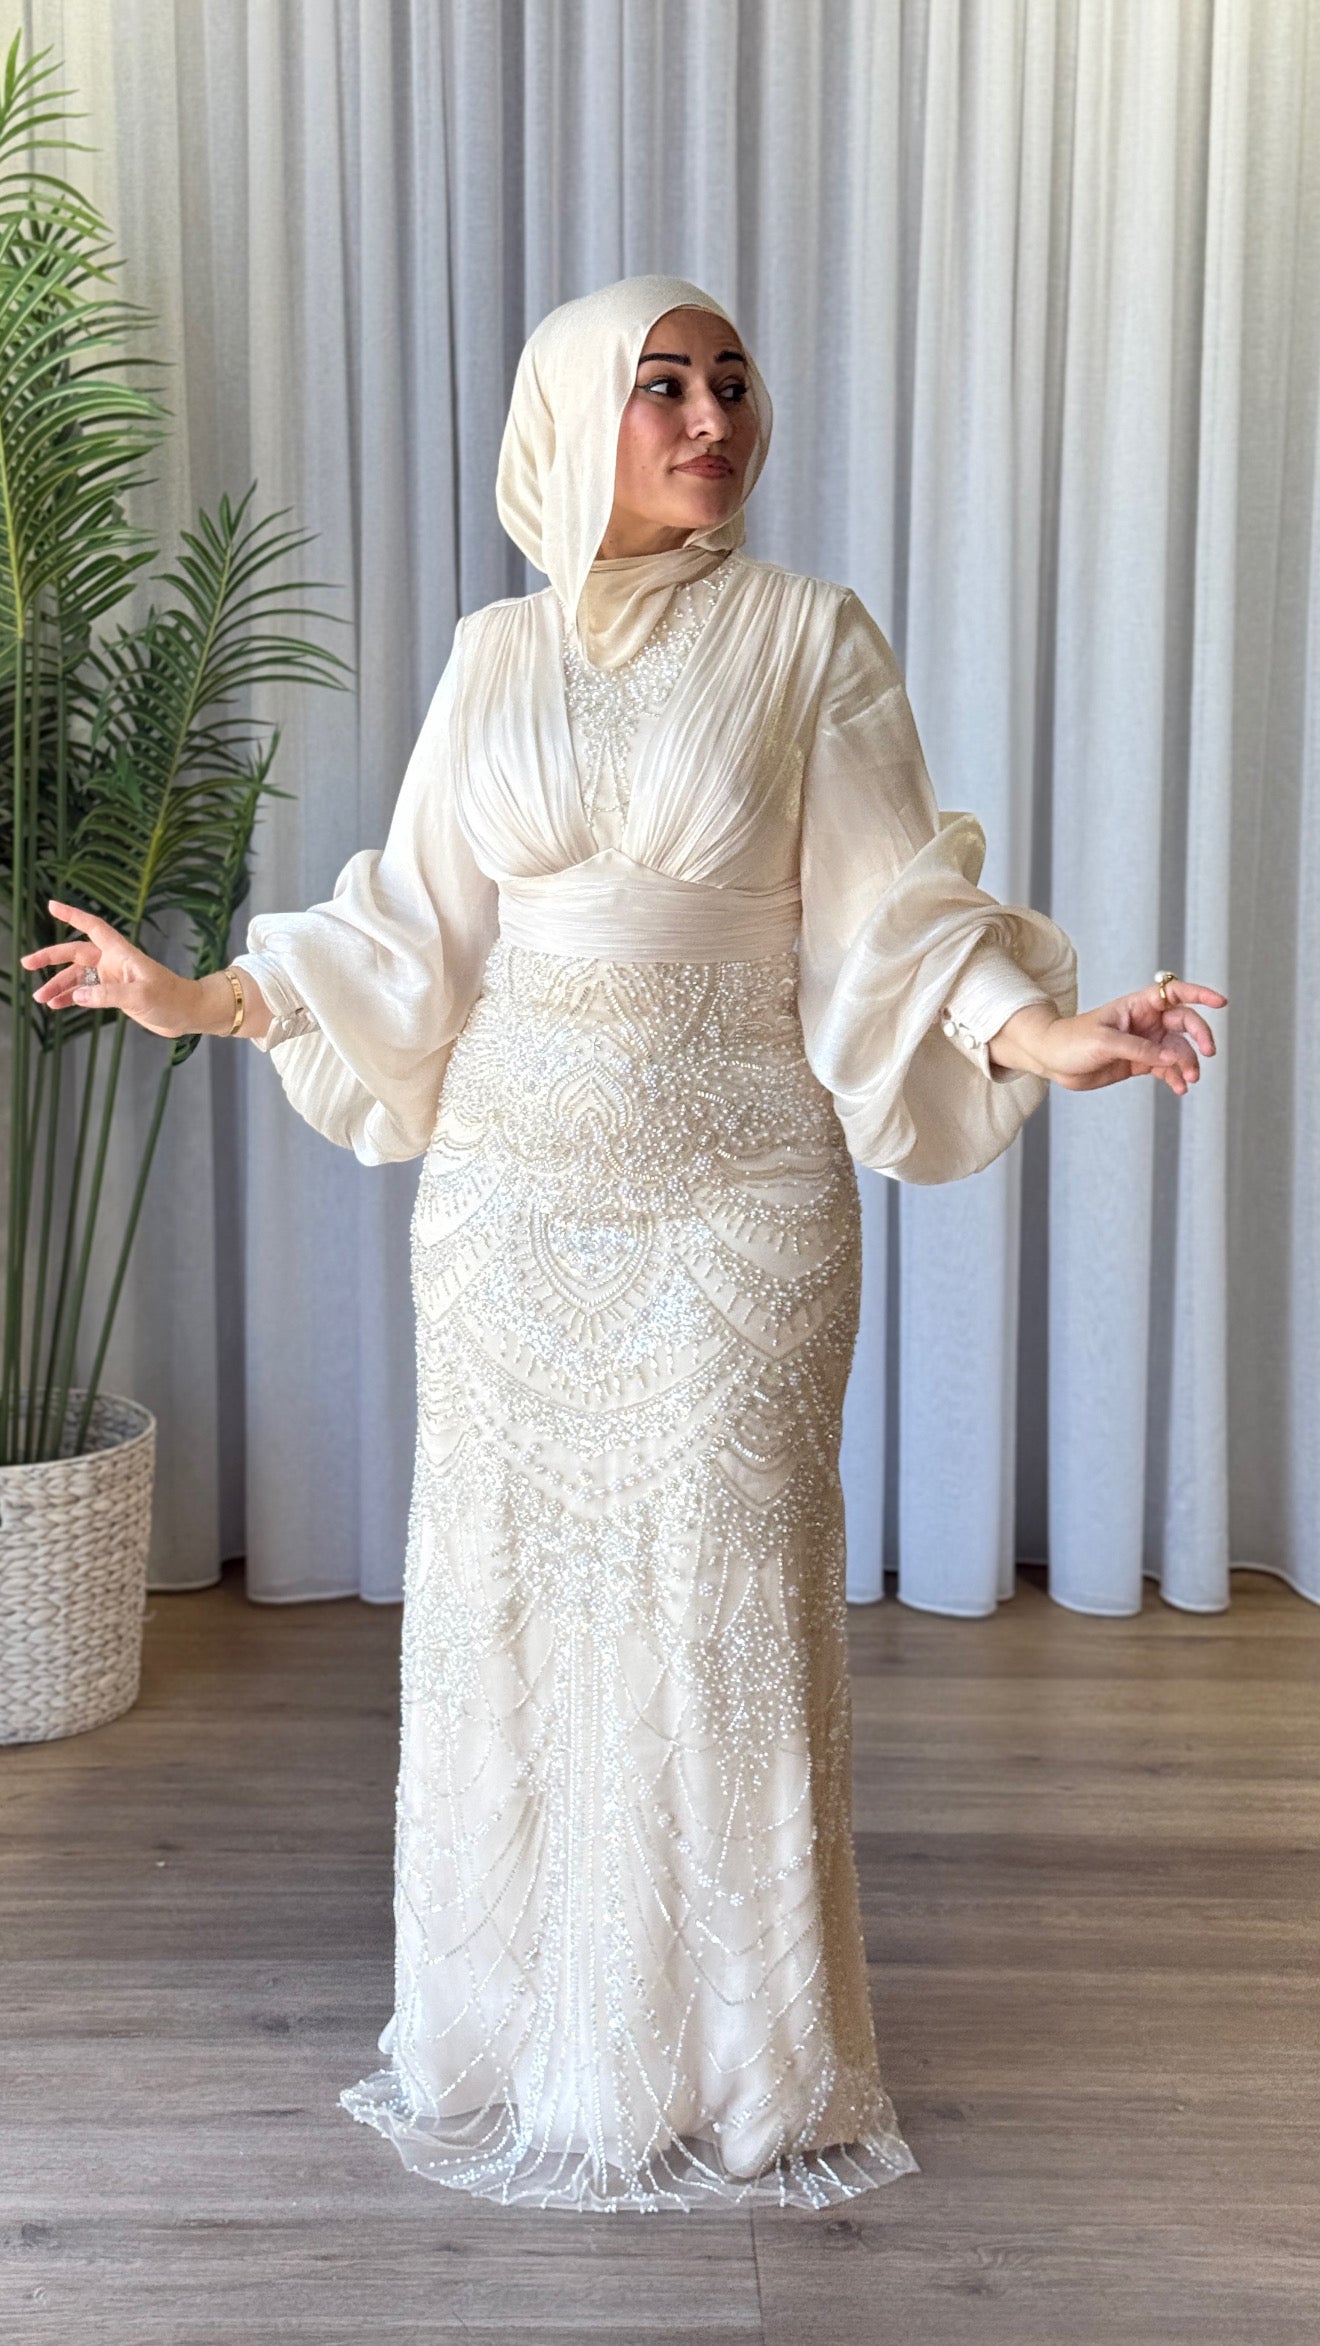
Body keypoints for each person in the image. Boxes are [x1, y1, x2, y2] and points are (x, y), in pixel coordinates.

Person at [23, 274, 1225, 2214]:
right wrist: (206, 1000)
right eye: (662, 384)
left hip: (741, 1193)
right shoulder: (492, 659)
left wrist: (1045, 1032)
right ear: (575, 416)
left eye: (731, 381)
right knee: (517, 1603)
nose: (710, 417)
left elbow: (896, 918)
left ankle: (744, 2066)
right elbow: (413, 932)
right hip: (510, 1204)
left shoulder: (812, 637)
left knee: (726, 1592)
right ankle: (528, 2039)